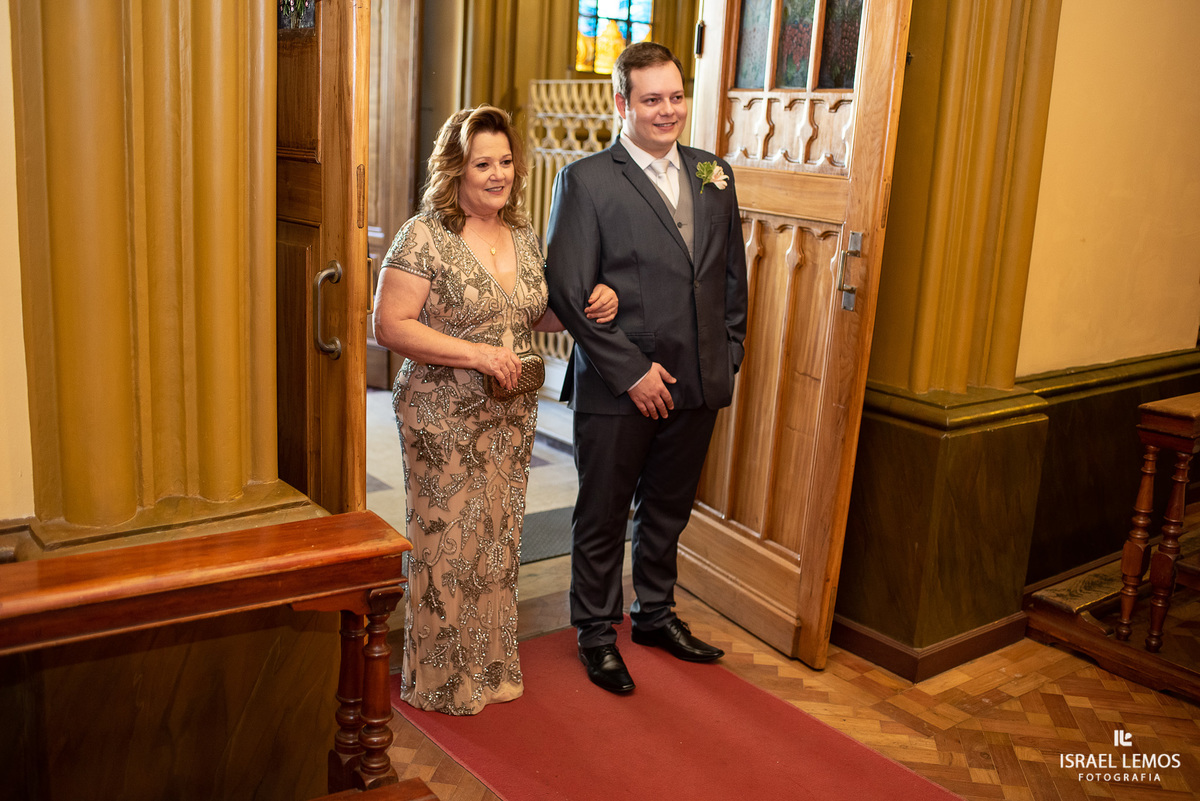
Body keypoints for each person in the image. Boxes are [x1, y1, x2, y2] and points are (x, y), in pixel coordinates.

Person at [373, 105, 618, 715]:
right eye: (483, 163)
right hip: (439, 415)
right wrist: (478, 355)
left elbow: (532, 314)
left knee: (496, 539)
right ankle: (439, 680)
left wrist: (590, 304)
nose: (497, 174)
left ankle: (486, 668)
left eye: (505, 162)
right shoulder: (425, 234)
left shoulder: (523, 232)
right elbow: (388, 326)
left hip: (508, 416)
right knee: (444, 544)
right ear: (456, 169)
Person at [545, 42, 748, 694]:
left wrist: (728, 351)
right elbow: (568, 292)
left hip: (697, 380)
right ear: (621, 102)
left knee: (667, 509)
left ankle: (655, 614)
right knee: (602, 513)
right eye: (652, 98)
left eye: (676, 96)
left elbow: (729, 277)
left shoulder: (715, 173)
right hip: (618, 386)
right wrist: (632, 372)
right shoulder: (587, 179)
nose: (668, 111)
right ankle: (597, 635)